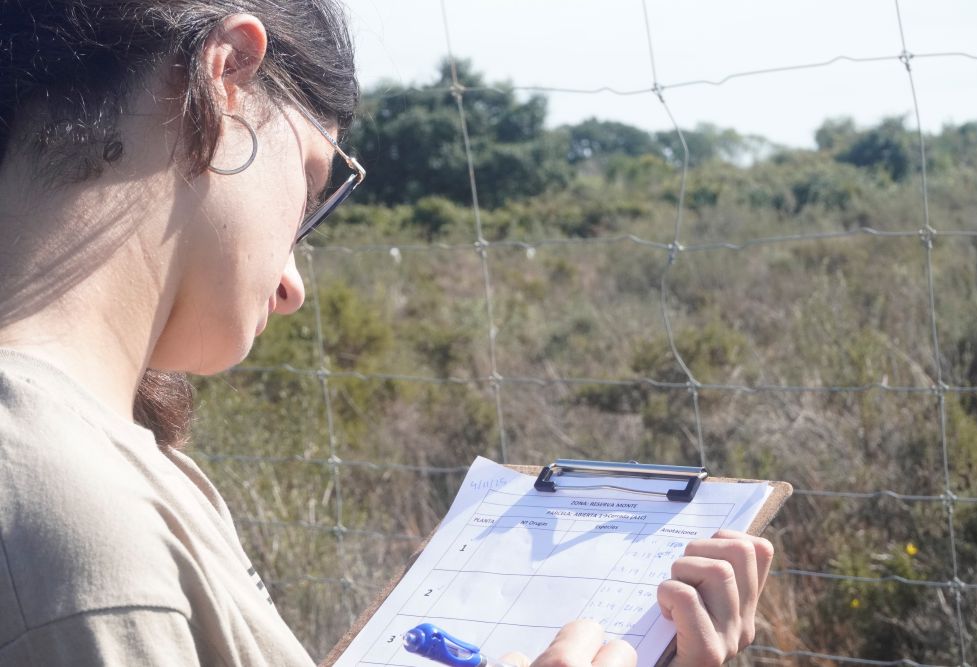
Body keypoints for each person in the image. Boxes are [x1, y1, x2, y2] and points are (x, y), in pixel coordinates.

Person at [0, 1, 774, 665]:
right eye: (311, 187)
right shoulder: (74, 516)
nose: (293, 285)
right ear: (226, 77)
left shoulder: (110, 467)